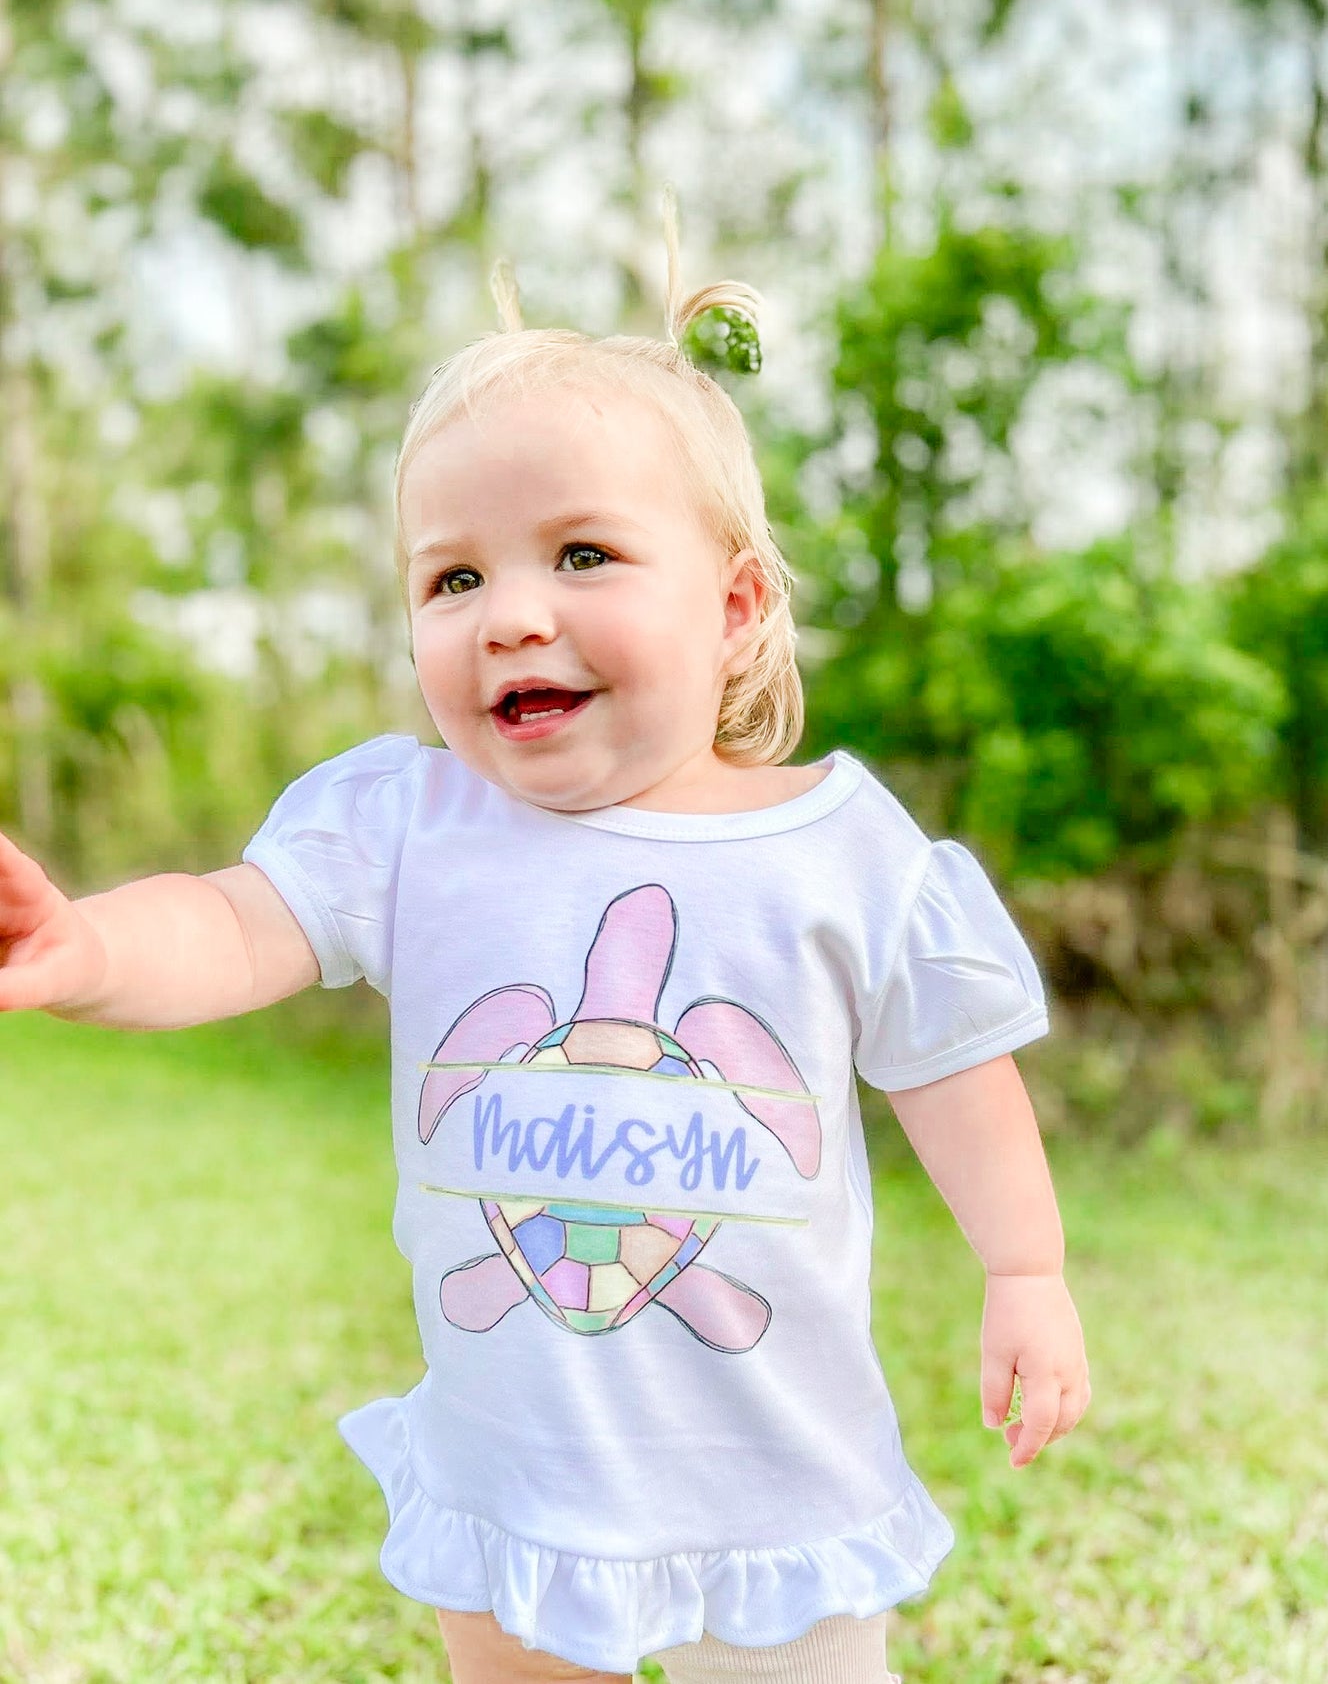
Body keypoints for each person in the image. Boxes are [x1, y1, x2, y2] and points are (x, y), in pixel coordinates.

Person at [0, 207, 1089, 1684]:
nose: (511, 617)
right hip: (517, 1467)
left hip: (774, 1471)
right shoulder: (411, 825)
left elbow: (952, 1066)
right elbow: (233, 921)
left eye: (582, 554)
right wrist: (87, 945)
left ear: (735, 604)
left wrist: (1024, 1267)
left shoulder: (836, 850)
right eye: (452, 579)